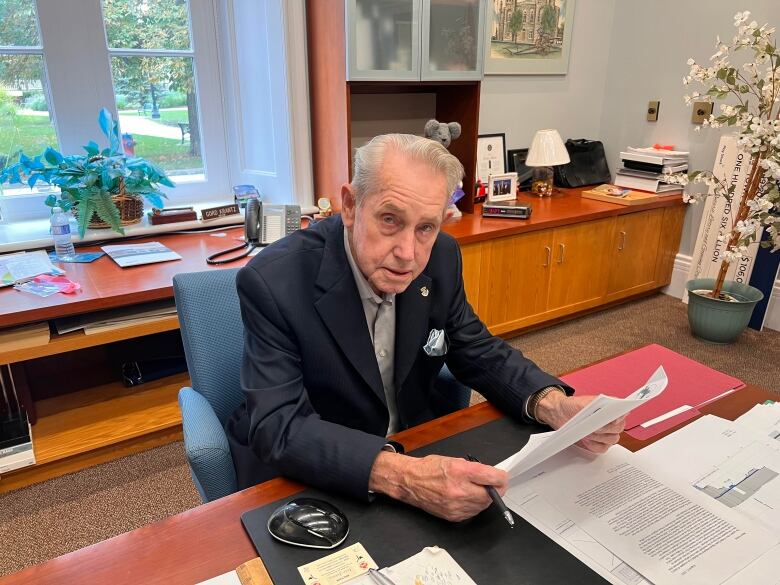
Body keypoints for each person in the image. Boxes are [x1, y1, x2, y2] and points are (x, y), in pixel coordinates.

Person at [226, 134, 625, 522]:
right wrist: (403, 478)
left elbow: (476, 348)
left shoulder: (443, 258)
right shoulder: (274, 281)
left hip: (414, 446)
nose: (408, 254)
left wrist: (553, 404)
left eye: (426, 228)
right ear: (349, 206)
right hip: (318, 472)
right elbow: (278, 425)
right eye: (389, 220)